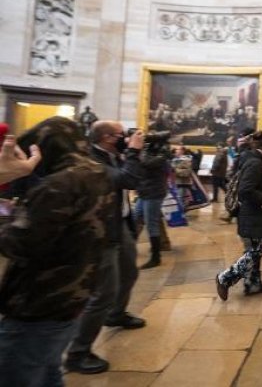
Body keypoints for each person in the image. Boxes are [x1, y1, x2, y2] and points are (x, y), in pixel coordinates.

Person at [0, 117, 113, 387]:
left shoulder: (58, 184)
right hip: (72, 295)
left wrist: (6, 214)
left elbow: (20, 243)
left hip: (39, 300)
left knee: (17, 375)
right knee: (48, 371)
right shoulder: (95, 173)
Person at [66, 121, 146, 375]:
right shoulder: (92, 159)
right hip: (100, 230)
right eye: (122, 135)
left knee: (130, 273)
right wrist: (133, 152)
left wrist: (132, 154)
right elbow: (128, 180)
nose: (126, 138)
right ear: (107, 137)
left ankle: (117, 314)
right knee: (104, 293)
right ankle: (78, 352)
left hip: (118, 223)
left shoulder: (112, 155)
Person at [216, 131, 262, 299]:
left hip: (257, 216)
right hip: (253, 215)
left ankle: (253, 283)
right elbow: (245, 190)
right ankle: (225, 278)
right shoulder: (255, 163)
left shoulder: (258, 161)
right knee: (255, 252)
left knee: (257, 250)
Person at [135, 139, 170, 269]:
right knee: (135, 218)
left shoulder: (160, 156)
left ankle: (156, 258)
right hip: (144, 192)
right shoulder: (152, 154)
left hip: (153, 193)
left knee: (152, 225)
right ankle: (129, 248)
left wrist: (142, 149)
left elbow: (146, 163)